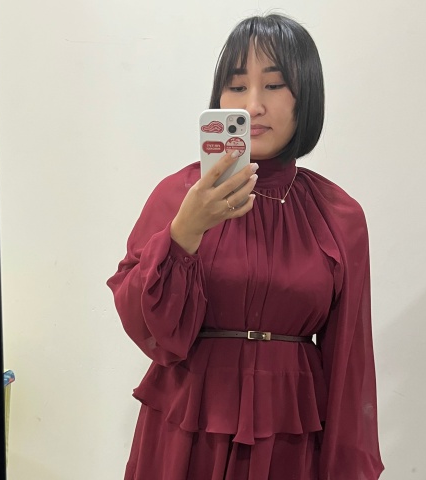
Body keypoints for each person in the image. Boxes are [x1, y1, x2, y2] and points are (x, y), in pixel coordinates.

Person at [107, 13, 384, 480]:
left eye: (273, 85)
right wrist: (183, 233)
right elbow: (147, 328)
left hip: (289, 439)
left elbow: (349, 361)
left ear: (305, 96)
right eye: (236, 87)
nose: (252, 105)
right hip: (184, 433)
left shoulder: (339, 216)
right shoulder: (178, 197)